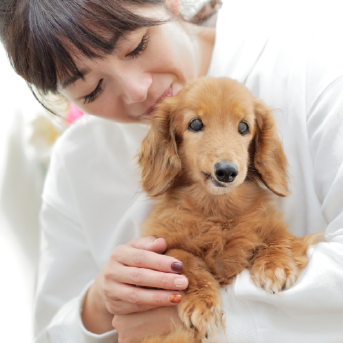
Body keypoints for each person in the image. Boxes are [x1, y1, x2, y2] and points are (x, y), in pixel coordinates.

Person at [1, 0, 343, 342]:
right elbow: (50, 333)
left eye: (137, 47)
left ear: (171, 2)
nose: (138, 90)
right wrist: (101, 304)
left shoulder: (314, 61)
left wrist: (224, 317)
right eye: (92, 90)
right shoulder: (76, 160)